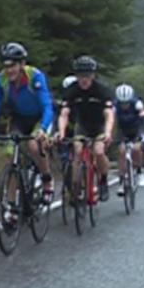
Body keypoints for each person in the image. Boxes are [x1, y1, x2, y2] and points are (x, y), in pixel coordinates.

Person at [0, 43, 56, 225]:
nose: (9, 70)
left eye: (13, 66)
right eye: (6, 66)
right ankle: (11, 206)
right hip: (19, 119)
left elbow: (47, 106)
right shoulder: (0, 80)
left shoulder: (35, 76)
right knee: (10, 155)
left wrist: (43, 129)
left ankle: (46, 179)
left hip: (39, 118)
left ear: (22, 64)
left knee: (33, 145)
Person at [56, 56, 115, 202]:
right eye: (81, 76)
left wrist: (108, 133)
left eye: (87, 76)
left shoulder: (102, 90)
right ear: (76, 76)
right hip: (82, 126)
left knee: (99, 151)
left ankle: (102, 180)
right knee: (77, 151)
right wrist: (62, 133)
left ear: (93, 75)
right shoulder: (72, 90)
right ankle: (77, 187)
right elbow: (64, 114)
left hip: (100, 125)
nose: (84, 79)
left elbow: (109, 114)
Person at [111, 83, 144, 194]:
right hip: (123, 131)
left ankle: (139, 171)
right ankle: (122, 182)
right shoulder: (114, 107)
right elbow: (113, 123)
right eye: (122, 103)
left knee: (136, 149)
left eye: (127, 103)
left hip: (137, 130)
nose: (124, 105)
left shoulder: (137, 104)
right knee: (122, 152)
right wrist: (112, 136)